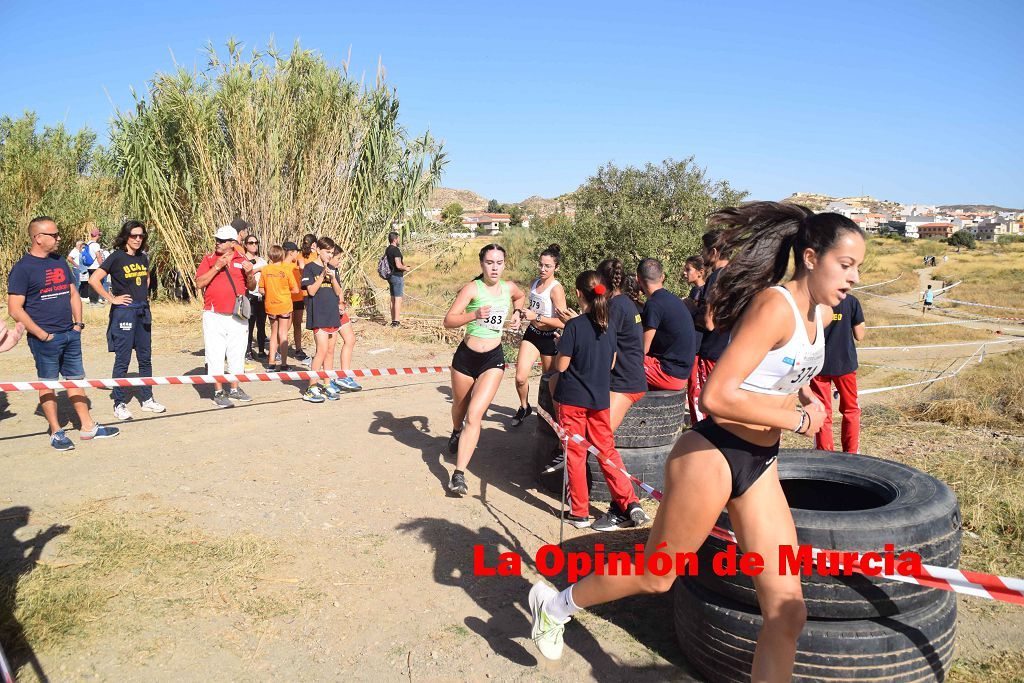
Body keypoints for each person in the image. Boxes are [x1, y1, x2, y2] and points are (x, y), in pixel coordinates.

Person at [528, 203, 864, 680]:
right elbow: (717, 394)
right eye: (845, 265)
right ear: (811, 257)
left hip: (759, 461)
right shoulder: (775, 305)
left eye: (858, 268)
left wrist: (808, 394)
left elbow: (788, 369)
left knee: (787, 612)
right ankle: (555, 605)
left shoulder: (821, 312)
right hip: (712, 455)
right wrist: (795, 422)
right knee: (656, 575)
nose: (853, 278)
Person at [7, 216, 121, 450]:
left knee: (76, 379)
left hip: (70, 334)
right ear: (38, 238)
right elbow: (14, 308)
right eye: (54, 235)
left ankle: (88, 427)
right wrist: (40, 334)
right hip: (44, 339)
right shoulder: (23, 268)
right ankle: (56, 432)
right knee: (47, 384)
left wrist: (78, 324)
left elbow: (72, 294)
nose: (59, 238)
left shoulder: (60, 262)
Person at [552, 270, 652, 532]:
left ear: (577, 294)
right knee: (606, 451)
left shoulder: (573, 326)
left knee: (575, 454)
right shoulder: (608, 327)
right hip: (599, 399)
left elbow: (562, 366)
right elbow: (612, 362)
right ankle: (629, 500)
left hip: (572, 399)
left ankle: (580, 511)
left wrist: (564, 345)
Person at [442, 243, 526, 495]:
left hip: (493, 358)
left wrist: (519, 312)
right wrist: (474, 314)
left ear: (504, 264)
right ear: (482, 264)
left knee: (475, 414)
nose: (494, 267)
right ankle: (456, 431)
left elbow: (520, 296)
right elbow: (448, 321)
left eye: (499, 262)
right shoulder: (472, 288)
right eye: (490, 262)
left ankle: (458, 475)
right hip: (466, 357)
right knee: (460, 405)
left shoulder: (508, 287)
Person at [88, 220, 166, 420]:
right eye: (134, 236)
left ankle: (147, 399)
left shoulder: (143, 257)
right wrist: (112, 299)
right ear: (126, 236)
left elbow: (146, 279)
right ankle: (119, 402)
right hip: (124, 313)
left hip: (142, 312)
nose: (138, 239)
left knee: (145, 357)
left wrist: (141, 295)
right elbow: (93, 280)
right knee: (123, 359)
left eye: (141, 236)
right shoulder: (116, 257)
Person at [194, 224, 256, 408]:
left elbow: (251, 287)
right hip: (214, 314)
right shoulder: (209, 259)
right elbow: (199, 283)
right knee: (215, 352)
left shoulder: (242, 259)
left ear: (232, 243)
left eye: (221, 241)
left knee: (237, 352)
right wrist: (217, 267)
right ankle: (218, 391)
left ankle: (235, 389)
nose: (217, 243)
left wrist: (250, 273)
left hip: (237, 315)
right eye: (216, 240)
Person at [300, 238, 362, 402]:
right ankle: (311, 387)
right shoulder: (309, 268)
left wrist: (332, 277)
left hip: (332, 314)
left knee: (330, 351)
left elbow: (337, 291)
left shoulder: (333, 269)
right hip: (319, 315)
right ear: (318, 250)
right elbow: (311, 291)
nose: (330, 255)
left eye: (331, 252)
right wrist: (321, 276)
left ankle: (327, 384)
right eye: (327, 252)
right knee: (321, 351)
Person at [512, 244, 566, 427]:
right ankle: (524, 406)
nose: (543, 269)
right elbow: (531, 309)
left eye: (548, 266)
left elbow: (563, 322)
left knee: (548, 382)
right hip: (532, 334)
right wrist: (520, 316)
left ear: (556, 268)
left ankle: (549, 420)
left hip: (550, 338)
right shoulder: (534, 283)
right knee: (520, 377)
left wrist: (539, 317)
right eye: (541, 265)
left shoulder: (556, 289)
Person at [810, 293, 865, 453]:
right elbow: (860, 335)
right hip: (845, 364)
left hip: (819, 364)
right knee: (851, 410)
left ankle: (824, 452)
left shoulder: (816, 300)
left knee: (822, 410)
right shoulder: (851, 301)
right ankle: (851, 452)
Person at [597, 258, 647, 433]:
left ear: (602, 282)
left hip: (625, 381)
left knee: (601, 433)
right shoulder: (624, 302)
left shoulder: (615, 307)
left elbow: (604, 348)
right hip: (626, 376)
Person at [688, 230, 730, 425]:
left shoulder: (716, 278)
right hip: (727, 348)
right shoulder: (736, 274)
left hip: (711, 349)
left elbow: (709, 322)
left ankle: (703, 434)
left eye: (704, 250)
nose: (702, 254)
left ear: (713, 251)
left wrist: (695, 318)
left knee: (704, 398)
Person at [637, 258, 696, 392]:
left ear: (638, 279)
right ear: (662, 277)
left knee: (619, 365)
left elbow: (642, 349)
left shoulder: (653, 305)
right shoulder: (672, 299)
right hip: (681, 372)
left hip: (669, 374)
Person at [259, 244, 300, 372]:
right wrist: (284, 291)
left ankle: (271, 363)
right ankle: (283, 363)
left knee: (273, 334)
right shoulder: (287, 270)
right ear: (282, 255)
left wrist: (271, 292)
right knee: (283, 333)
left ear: (270, 256)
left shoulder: (265, 270)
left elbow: (261, 289)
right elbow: (295, 289)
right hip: (284, 305)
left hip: (271, 305)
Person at [243, 233, 268, 360]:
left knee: (261, 324)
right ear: (246, 245)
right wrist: (258, 269)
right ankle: (247, 351)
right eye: (251, 243)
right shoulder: (243, 260)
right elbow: (244, 274)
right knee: (249, 325)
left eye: (256, 242)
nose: (254, 245)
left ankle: (262, 350)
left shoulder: (262, 260)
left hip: (261, 296)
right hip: (249, 295)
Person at [293, 234, 318, 363]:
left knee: (303, 322)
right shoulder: (301, 257)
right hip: (302, 293)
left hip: (304, 293)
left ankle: (300, 349)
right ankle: (298, 349)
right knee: (301, 322)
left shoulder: (313, 256)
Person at [385, 231, 410, 327]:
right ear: (395, 239)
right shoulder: (396, 250)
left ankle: (393, 320)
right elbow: (398, 265)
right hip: (397, 276)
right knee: (398, 299)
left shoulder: (388, 249)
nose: (399, 240)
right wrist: (406, 268)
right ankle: (396, 321)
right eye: (398, 238)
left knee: (392, 299)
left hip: (390, 276)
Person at [83, 228, 104, 306]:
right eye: (99, 235)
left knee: (91, 284)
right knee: (96, 284)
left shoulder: (88, 244)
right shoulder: (95, 245)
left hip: (89, 266)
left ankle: (92, 301)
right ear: (97, 235)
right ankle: (95, 302)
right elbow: (98, 256)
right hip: (96, 267)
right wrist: (102, 266)